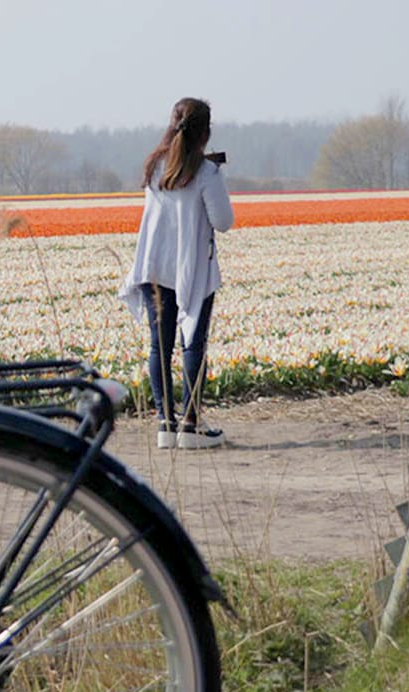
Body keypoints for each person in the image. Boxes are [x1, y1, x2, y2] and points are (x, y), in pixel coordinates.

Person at [120, 98, 232, 450]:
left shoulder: (155, 165)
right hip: (191, 268)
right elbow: (223, 222)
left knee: (160, 346)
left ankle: (165, 424)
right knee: (193, 343)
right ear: (206, 133)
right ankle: (191, 425)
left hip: (153, 266)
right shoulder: (206, 173)